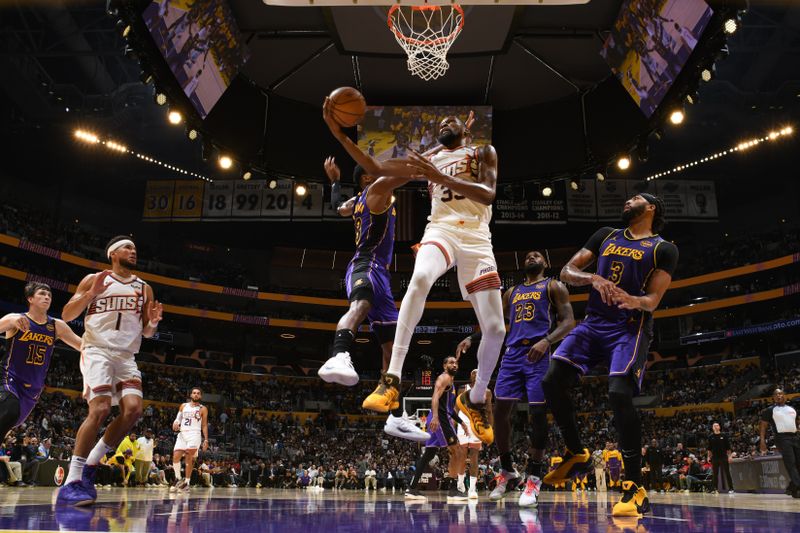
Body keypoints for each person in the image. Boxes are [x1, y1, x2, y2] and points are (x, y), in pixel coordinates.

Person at [324, 101, 504, 446]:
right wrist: (340, 134)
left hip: (478, 238)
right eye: (439, 125)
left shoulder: (483, 151)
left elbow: (488, 194)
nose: (442, 125)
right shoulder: (429, 160)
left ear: (467, 129)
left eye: (450, 121)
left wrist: (440, 177)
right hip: (441, 230)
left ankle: (476, 397)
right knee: (419, 279)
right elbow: (374, 165)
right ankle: (391, 379)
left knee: (496, 330)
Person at [541, 194, 678, 517]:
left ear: (651, 208)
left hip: (629, 328)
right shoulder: (606, 235)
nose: (628, 201)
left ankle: (634, 487)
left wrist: (635, 300)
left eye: (636, 198)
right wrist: (593, 278)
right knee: (551, 380)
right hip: (593, 323)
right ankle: (577, 453)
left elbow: (654, 299)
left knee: (618, 394)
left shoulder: (663, 249)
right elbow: (567, 271)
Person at [317, 158, 429, 443]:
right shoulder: (376, 191)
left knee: (393, 349)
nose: (383, 173)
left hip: (382, 274)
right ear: (368, 179)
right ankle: (338, 355)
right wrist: (433, 160)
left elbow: (338, 208)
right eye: (377, 172)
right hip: (365, 265)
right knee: (360, 305)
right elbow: (405, 174)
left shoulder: (358, 199)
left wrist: (334, 183)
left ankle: (395, 416)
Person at [458, 250, 575, 506]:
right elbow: (494, 323)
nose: (531, 256)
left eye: (536, 255)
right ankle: (508, 471)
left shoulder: (553, 286)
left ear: (545, 263)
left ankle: (533, 477)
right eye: (528, 256)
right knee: (499, 412)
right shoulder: (511, 293)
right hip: (512, 354)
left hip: (538, 353)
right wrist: (472, 338)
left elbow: (568, 322)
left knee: (537, 414)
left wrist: (547, 341)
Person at [57, 236, 163, 506]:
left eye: (135, 248)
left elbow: (148, 333)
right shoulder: (94, 279)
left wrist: (152, 323)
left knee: (134, 410)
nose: (133, 251)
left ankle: (91, 464)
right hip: (97, 350)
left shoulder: (144, 288)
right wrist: (91, 294)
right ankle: (72, 480)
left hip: (127, 355)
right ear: (113, 254)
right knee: (101, 408)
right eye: (128, 247)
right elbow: (68, 314)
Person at [0, 282, 82, 439]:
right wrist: (11, 322)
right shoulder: (15, 319)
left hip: (33, 389)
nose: (47, 297)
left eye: (49, 295)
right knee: (10, 409)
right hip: (9, 378)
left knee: (10, 421)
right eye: (42, 294)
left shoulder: (57, 325)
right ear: (30, 298)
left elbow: (81, 345)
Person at [405, 357, 466, 503]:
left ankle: (412, 489)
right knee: (457, 451)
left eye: (456, 363)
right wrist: (436, 417)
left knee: (428, 454)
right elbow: (434, 397)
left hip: (440, 417)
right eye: (451, 362)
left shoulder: (452, 383)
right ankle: (452, 490)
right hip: (440, 419)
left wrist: (461, 422)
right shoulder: (443, 378)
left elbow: (451, 409)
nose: (454, 365)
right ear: (445, 366)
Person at [454, 369, 490, 500]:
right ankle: (460, 484)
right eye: (473, 373)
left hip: (477, 425)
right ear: (470, 376)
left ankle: (472, 489)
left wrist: (489, 429)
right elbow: (456, 408)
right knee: (462, 455)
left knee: (474, 456)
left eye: (478, 373)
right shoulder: (463, 388)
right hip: (463, 423)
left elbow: (489, 411)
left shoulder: (486, 391)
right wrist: (453, 425)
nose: (475, 374)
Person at [759, 388, 800, 498]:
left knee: (798, 463)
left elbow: (795, 424)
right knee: (790, 463)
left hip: (795, 437)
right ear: (773, 397)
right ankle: (797, 486)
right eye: (776, 394)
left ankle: (793, 488)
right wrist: (762, 441)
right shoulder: (770, 410)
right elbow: (763, 426)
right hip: (782, 438)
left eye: (781, 393)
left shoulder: (792, 409)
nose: (779, 396)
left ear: (785, 396)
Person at [170, 387, 209, 493]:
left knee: (188, 457)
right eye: (194, 393)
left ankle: (186, 483)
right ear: (191, 395)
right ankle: (178, 479)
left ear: (200, 396)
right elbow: (178, 418)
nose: (196, 394)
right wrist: (176, 422)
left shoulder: (203, 408)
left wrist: (206, 440)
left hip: (194, 435)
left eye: (198, 393)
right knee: (175, 457)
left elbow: (204, 425)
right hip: (182, 434)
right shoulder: (183, 405)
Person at [707, 422, 734, 494]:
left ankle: (731, 488)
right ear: (712, 428)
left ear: (719, 427)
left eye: (717, 425)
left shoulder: (724, 435)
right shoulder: (710, 437)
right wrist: (708, 457)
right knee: (715, 474)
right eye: (714, 426)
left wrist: (730, 456)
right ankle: (715, 489)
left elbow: (728, 448)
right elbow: (709, 449)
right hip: (715, 458)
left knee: (727, 473)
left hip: (723, 457)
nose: (716, 427)